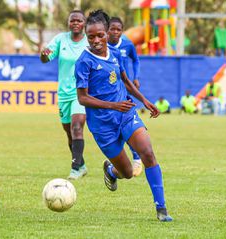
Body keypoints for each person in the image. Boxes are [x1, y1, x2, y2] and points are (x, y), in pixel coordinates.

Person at [75, 10, 173, 222]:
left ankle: (162, 209)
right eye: (91, 36)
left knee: (147, 153)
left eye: (100, 34)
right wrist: (113, 105)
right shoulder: (84, 62)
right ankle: (111, 171)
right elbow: (82, 98)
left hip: (126, 113)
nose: (96, 40)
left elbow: (125, 80)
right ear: (86, 35)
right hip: (102, 126)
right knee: (127, 173)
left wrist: (143, 100)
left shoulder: (116, 53)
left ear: (107, 32)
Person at [40, 10, 88, 180]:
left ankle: (75, 168)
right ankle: (81, 164)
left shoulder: (89, 41)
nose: (75, 23)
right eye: (72, 20)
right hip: (64, 94)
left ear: (84, 23)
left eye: (79, 20)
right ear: (69, 23)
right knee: (69, 133)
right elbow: (46, 57)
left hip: (81, 93)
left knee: (77, 128)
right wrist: (44, 55)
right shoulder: (61, 39)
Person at [107, 17, 143, 177]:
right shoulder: (102, 46)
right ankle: (119, 161)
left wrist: (136, 77)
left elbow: (135, 60)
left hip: (125, 89)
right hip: (108, 92)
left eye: (118, 29)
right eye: (112, 29)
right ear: (107, 30)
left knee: (126, 122)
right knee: (114, 126)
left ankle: (136, 158)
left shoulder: (127, 44)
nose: (115, 32)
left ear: (122, 31)